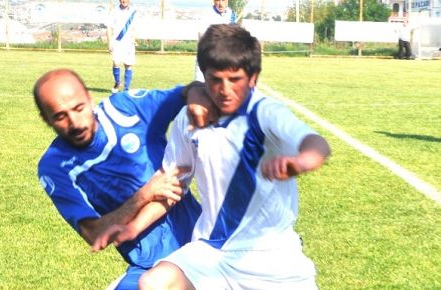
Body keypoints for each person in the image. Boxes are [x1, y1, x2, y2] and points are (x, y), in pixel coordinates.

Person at [96, 24, 331, 289]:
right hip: (213, 250)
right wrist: (134, 228)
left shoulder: (265, 112)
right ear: (203, 75)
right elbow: (173, 186)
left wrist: (300, 162)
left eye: (235, 80)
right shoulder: (188, 119)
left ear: (253, 77)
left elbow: (316, 144)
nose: (224, 89)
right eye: (215, 79)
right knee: (153, 283)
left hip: (271, 254)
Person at [34, 68, 215, 290]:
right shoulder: (54, 166)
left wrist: (196, 97)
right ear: (46, 119)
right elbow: (93, 233)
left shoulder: (127, 109)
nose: (75, 123)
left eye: (79, 108)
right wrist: (145, 194)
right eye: (60, 116)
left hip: (202, 246)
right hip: (147, 265)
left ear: (90, 100)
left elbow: (188, 91)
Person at [194, 0, 236, 81]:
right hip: (206, 56)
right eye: (217, 0)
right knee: (199, 86)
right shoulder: (207, 14)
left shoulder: (231, 14)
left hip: (223, 58)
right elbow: (201, 35)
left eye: (223, 0)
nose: (220, 4)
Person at [106, 0, 137, 93]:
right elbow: (108, 28)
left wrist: (134, 39)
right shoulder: (114, 11)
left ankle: (126, 89)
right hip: (117, 41)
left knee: (128, 65)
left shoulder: (134, 12)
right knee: (116, 62)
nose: (124, 1)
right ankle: (117, 82)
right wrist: (109, 42)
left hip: (129, 43)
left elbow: (135, 28)